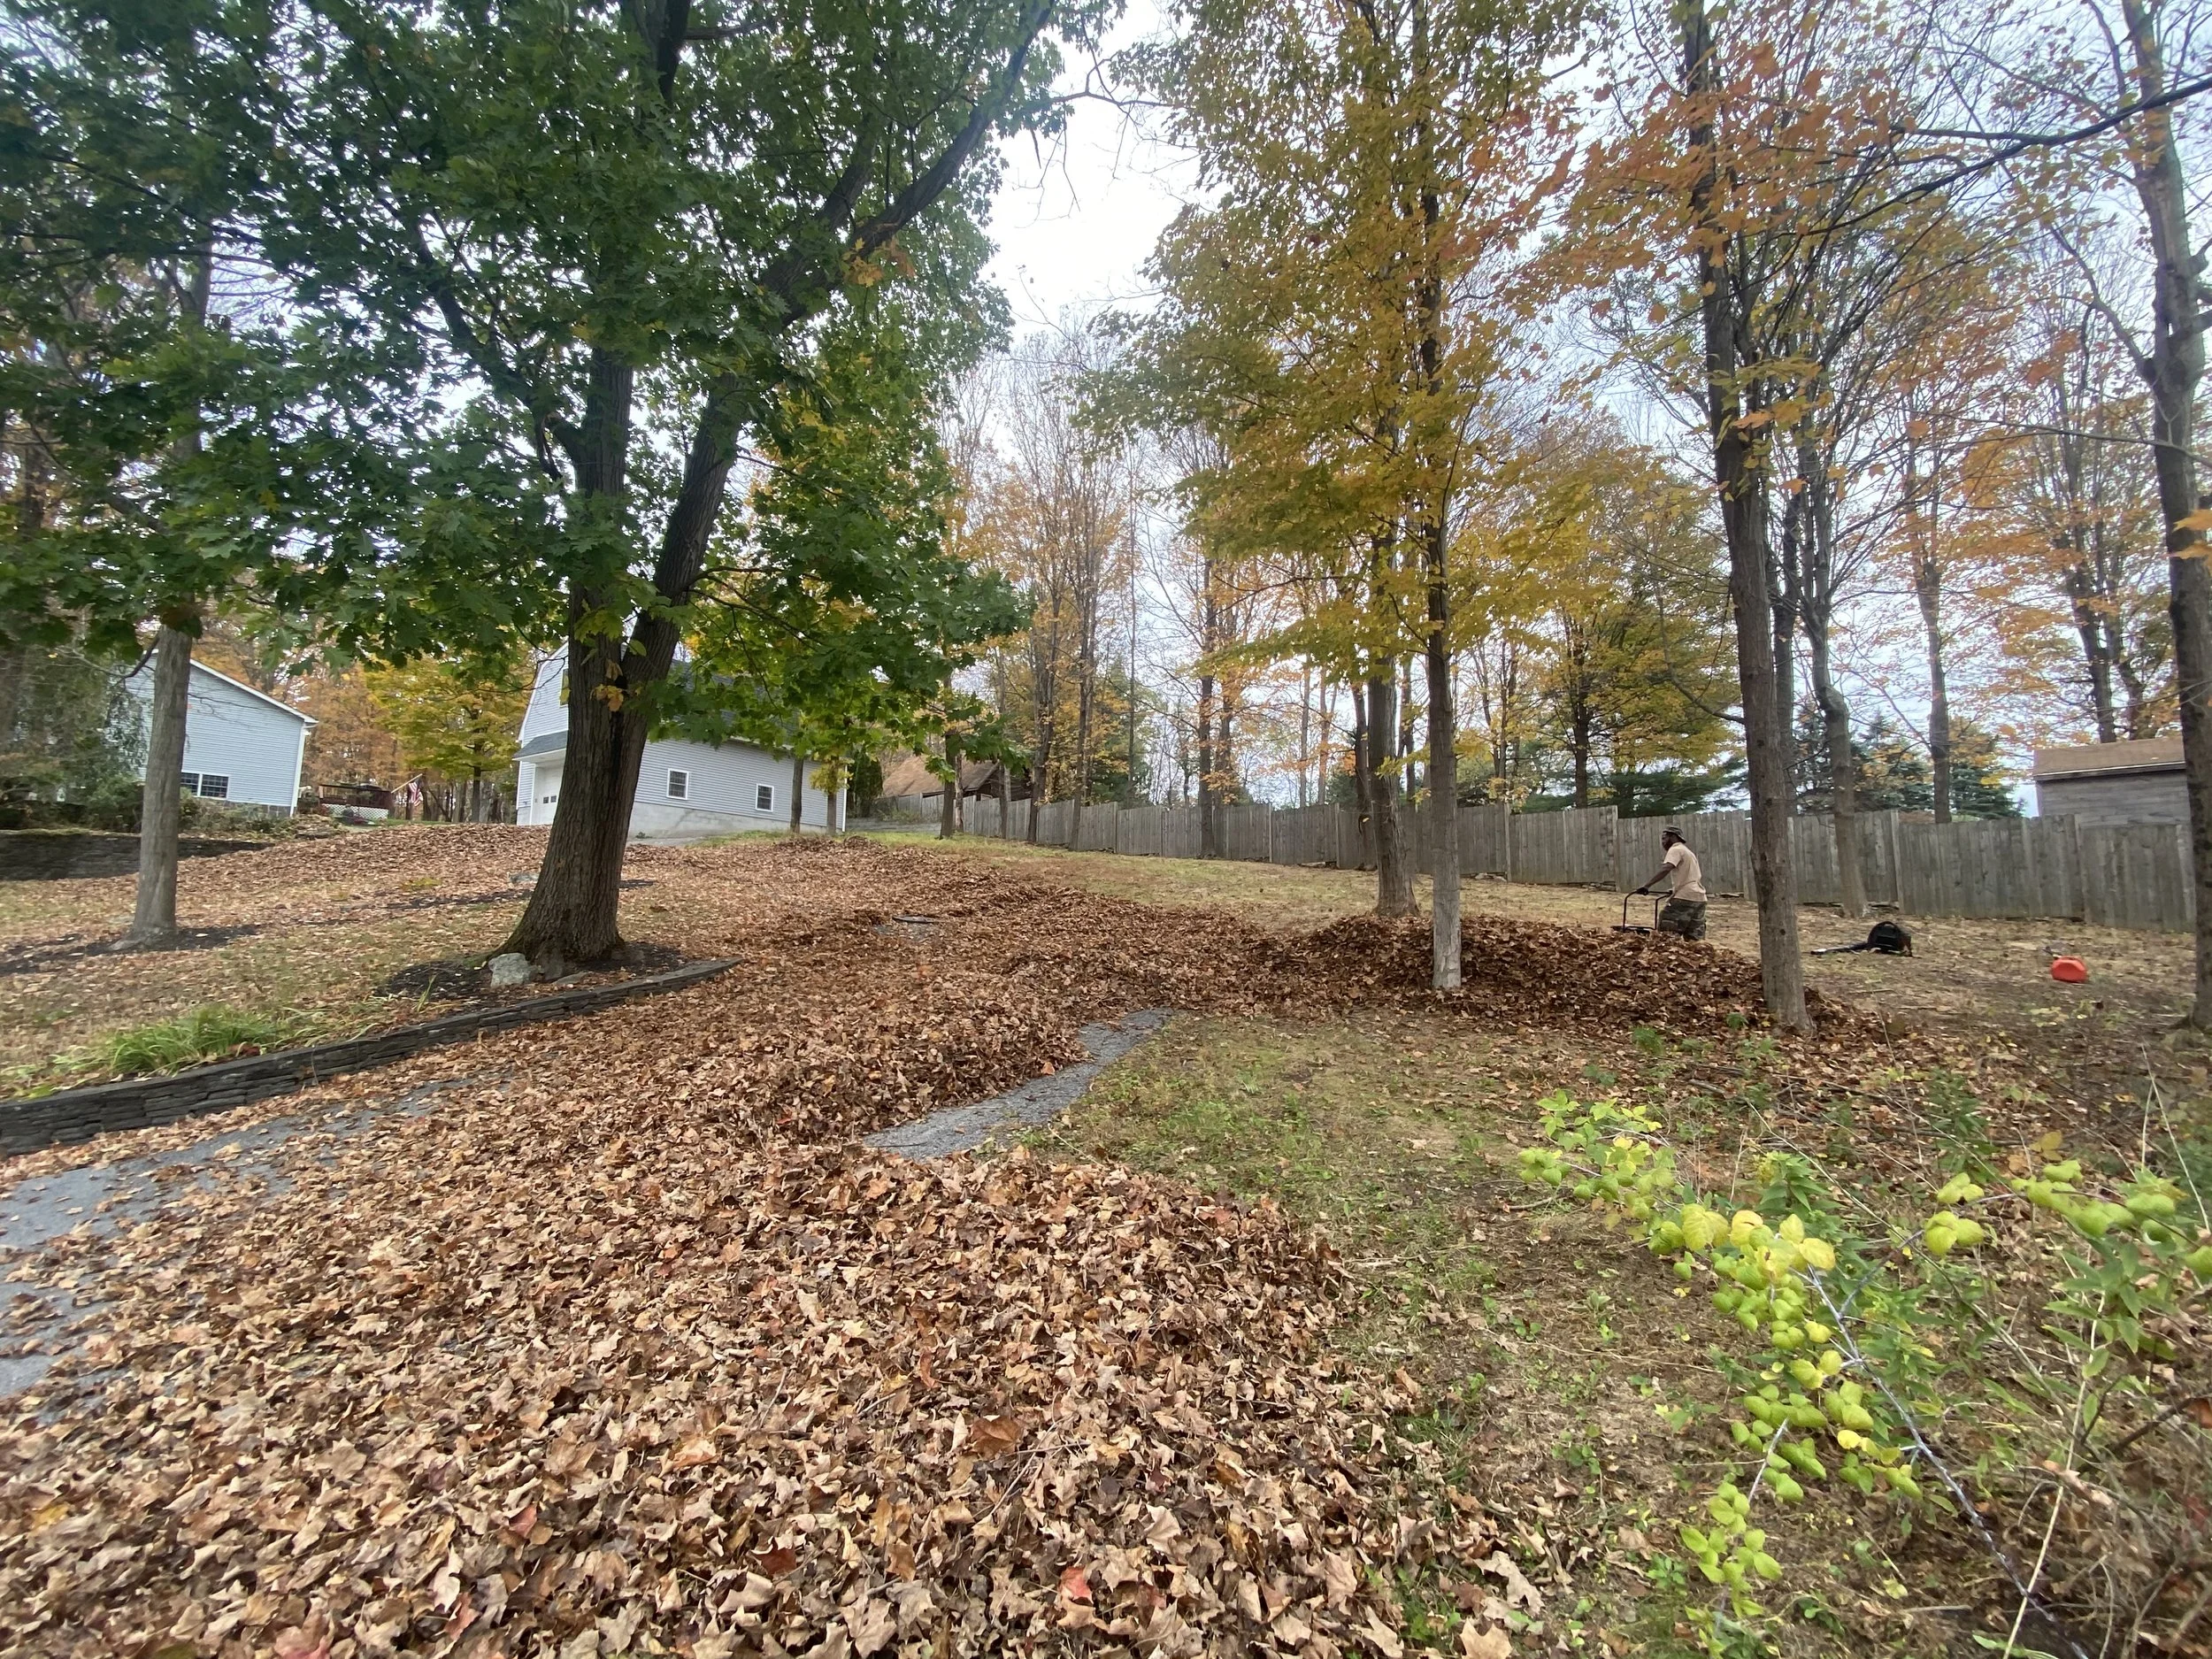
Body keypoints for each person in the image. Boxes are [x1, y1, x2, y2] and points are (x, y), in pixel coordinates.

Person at [1635, 827, 1707, 941]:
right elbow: (1689, 876)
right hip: (1699, 898)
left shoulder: (1675, 849)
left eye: (1664, 838)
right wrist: (1674, 889)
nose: (1662, 842)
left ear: (1673, 837)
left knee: (1666, 933)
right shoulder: (1688, 852)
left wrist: (1646, 886)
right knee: (1695, 939)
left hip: (1684, 897)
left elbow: (1666, 868)